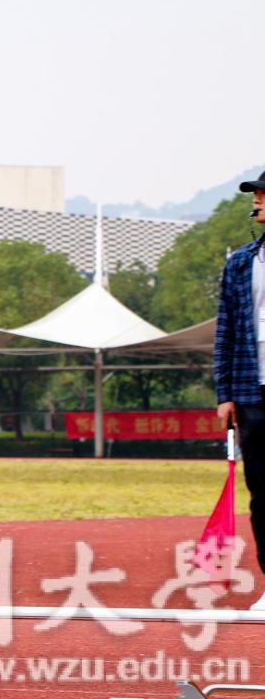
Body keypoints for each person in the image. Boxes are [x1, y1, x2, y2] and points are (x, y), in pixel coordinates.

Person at [215, 168, 265, 609]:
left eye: (264, 193)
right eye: (257, 194)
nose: (258, 199)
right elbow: (226, 332)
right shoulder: (241, 263)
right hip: (252, 393)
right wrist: (225, 394)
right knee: (262, 494)